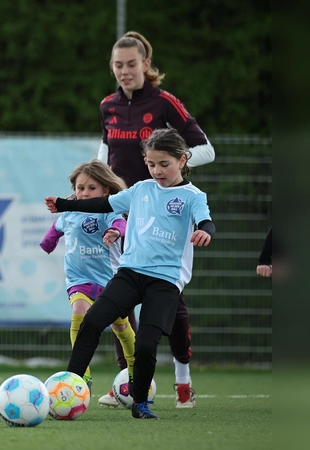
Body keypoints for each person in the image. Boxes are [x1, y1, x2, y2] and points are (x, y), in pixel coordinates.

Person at [46, 128, 214, 419]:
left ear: (183, 160)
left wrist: (204, 231)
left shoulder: (192, 196)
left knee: (147, 344)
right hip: (130, 273)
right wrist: (63, 204)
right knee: (91, 322)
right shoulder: (140, 189)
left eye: (164, 164)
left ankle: (140, 403)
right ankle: (70, 387)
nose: (157, 170)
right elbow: (102, 204)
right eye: (151, 164)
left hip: (164, 282)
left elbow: (206, 222)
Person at [96, 31, 215, 408]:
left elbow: (206, 149)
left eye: (132, 64)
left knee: (171, 302)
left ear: (146, 65)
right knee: (120, 302)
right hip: (124, 216)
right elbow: (104, 154)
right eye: (118, 65)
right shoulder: (108, 106)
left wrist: (165, 170)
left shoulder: (164, 102)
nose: (125, 71)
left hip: (164, 214)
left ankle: (183, 381)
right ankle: (129, 383)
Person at [39, 160, 134, 391]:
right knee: (79, 312)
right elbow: (57, 228)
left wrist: (115, 232)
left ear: (106, 191)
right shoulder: (70, 212)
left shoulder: (107, 211)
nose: (84, 193)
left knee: (121, 326)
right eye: (80, 188)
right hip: (79, 281)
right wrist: (47, 243)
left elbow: (120, 223)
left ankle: (134, 369)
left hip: (109, 281)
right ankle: (82, 375)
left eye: (91, 188)